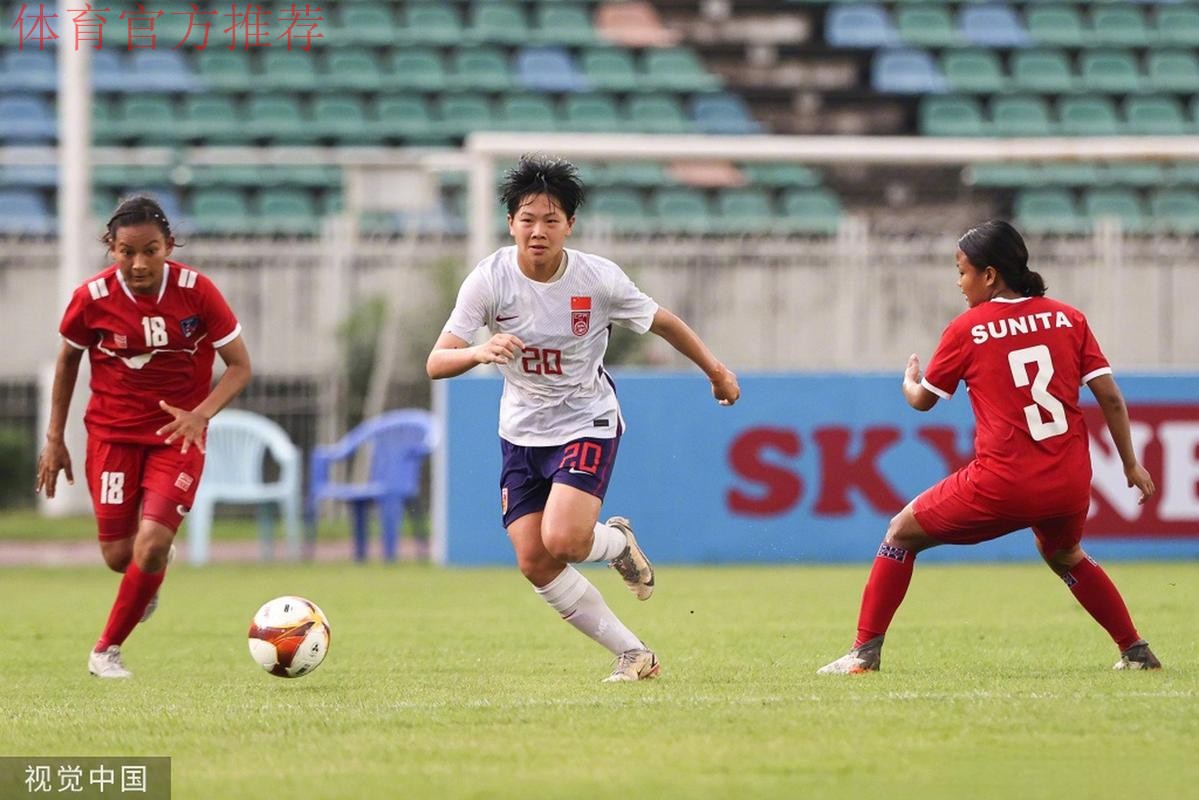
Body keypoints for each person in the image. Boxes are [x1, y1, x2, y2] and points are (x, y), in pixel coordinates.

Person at [427, 155, 740, 682]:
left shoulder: (597, 279)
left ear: (570, 225)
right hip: (520, 432)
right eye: (527, 219)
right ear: (510, 223)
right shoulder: (488, 279)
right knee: (535, 560)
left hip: (585, 420)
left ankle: (615, 541)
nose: (538, 231)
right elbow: (437, 362)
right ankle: (635, 654)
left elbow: (662, 322)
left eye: (551, 220)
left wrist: (715, 370)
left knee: (567, 541)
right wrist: (478, 353)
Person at [818, 219, 1161, 675]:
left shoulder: (969, 328)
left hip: (1005, 482)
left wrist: (908, 382)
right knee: (1065, 554)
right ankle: (1134, 650)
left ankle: (863, 654)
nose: (959, 283)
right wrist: (1131, 465)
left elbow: (923, 403)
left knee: (900, 533)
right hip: (1069, 480)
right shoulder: (1069, 318)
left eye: (962, 271)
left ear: (990, 275)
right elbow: (1111, 398)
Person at [35, 196, 252, 679]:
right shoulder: (91, 299)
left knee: (150, 543)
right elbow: (68, 360)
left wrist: (200, 414)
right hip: (111, 436)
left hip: (177, 437)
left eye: (150, 250)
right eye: (126, 251)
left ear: (168, 246)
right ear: (110, 249)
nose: (138, 263)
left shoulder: (198, 292)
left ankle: (106, 650)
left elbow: (240, 366)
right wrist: (55, 438)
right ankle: (148, 573)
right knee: (119, 556)